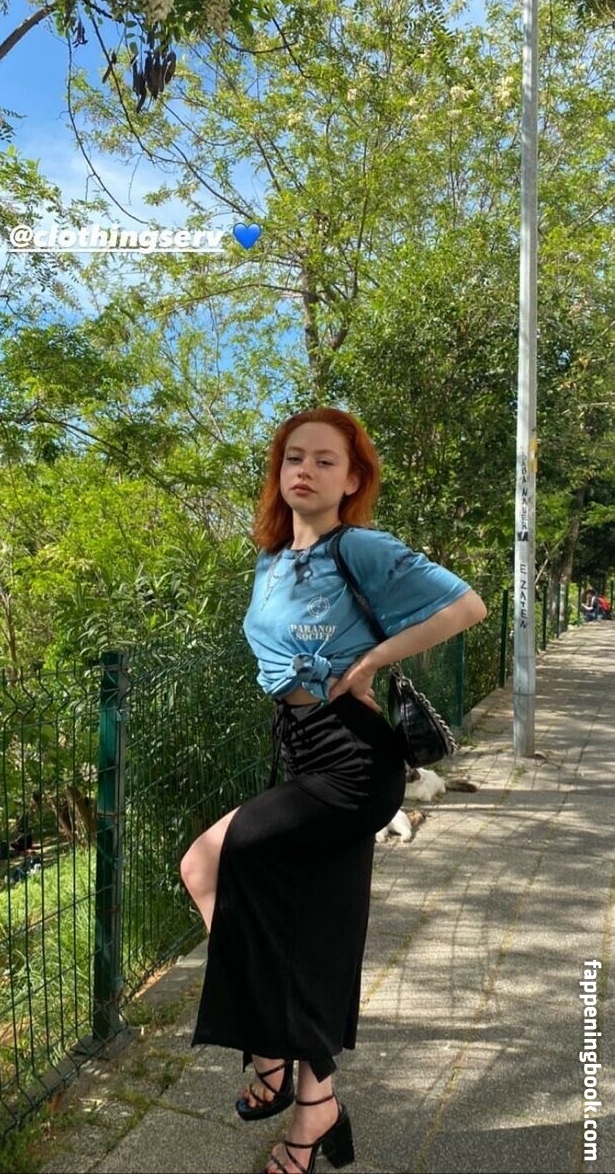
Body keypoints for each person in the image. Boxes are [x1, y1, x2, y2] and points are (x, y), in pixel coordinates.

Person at [180, 407, 488, 1174]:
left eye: (325, 460)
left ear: (351, 480)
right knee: (307, 931)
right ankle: (315, 1103)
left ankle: (270, 1053)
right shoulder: (270, 560)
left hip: (350, 759)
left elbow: (466, 606)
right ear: (278, 470)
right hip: (301, 749)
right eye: (294, 457)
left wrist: (371, 661)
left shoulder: (359, 547)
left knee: (206, 863)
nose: (305, 470)